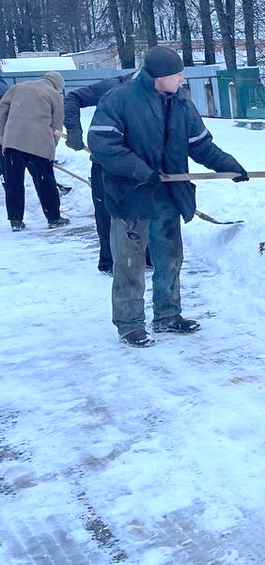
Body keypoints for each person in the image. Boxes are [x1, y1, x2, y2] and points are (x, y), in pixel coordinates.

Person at [88, 46, 249, 347]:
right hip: (130, 196)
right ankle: (130, 324)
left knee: (170, 258)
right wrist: (139, 170)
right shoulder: (119, 100)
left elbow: (201, 145)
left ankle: (167, 315)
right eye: (177, 75)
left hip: (168, 194)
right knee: (129, 262)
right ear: (159, 76)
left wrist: (228, 165)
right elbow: (101, 143)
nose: (181, 80)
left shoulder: (181, 105)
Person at [63, 72, 153, 275]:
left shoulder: (159, 91)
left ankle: (146, 257)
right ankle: (109, 261)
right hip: (105, 163)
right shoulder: (110, 87)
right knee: (107, 212)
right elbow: (73, 98)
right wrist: (73, 130)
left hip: (137, 163)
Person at [0, 71, 70, 231]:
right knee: (45, 182)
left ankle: (15, 220)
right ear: (58, 85)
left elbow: (1, 110)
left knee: (13, 183)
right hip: (39, 144)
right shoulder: (54, 94)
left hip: (13, 143)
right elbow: (57, 124)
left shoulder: (18, 87)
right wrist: (52, 144)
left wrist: (4, 136)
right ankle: (53, 218)